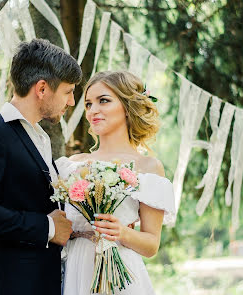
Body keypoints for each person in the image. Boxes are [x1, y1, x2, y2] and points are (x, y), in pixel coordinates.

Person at [0, 39, 82, 295]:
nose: (71, 102)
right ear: (42, 89)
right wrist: (46, 228)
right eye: (68, 91)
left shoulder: (41, 137)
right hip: (11, 284)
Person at [56, 71, 176, 294]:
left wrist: (122, 232)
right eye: (89, 104)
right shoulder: (71, 166)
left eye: (104, 101)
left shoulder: (148, 168)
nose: (93, 111)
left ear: (127, 107)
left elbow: (151, 245)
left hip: (121, 276)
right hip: (75, 271)